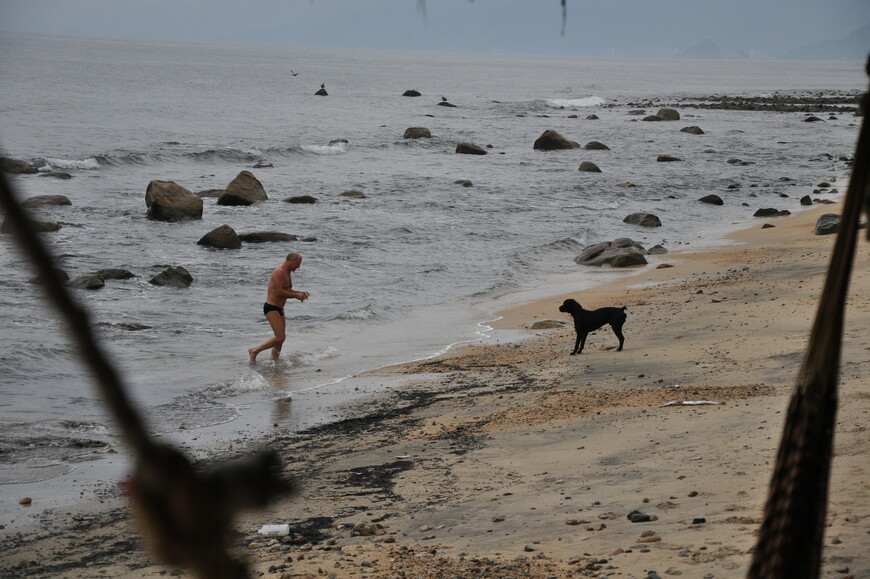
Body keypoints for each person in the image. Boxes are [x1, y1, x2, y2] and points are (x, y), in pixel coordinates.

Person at [248, 252, 309, 362]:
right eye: (298, 264)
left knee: (280, 339)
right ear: (291, 261)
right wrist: (296, 296)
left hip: (279, 308)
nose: (299, 267)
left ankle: (274, 361)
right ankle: (254, 351)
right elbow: (278, 292)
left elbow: (286, 290)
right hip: (271, 307)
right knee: (280, 337)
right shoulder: (280, 272)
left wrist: (300, 293)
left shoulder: (287, 272)